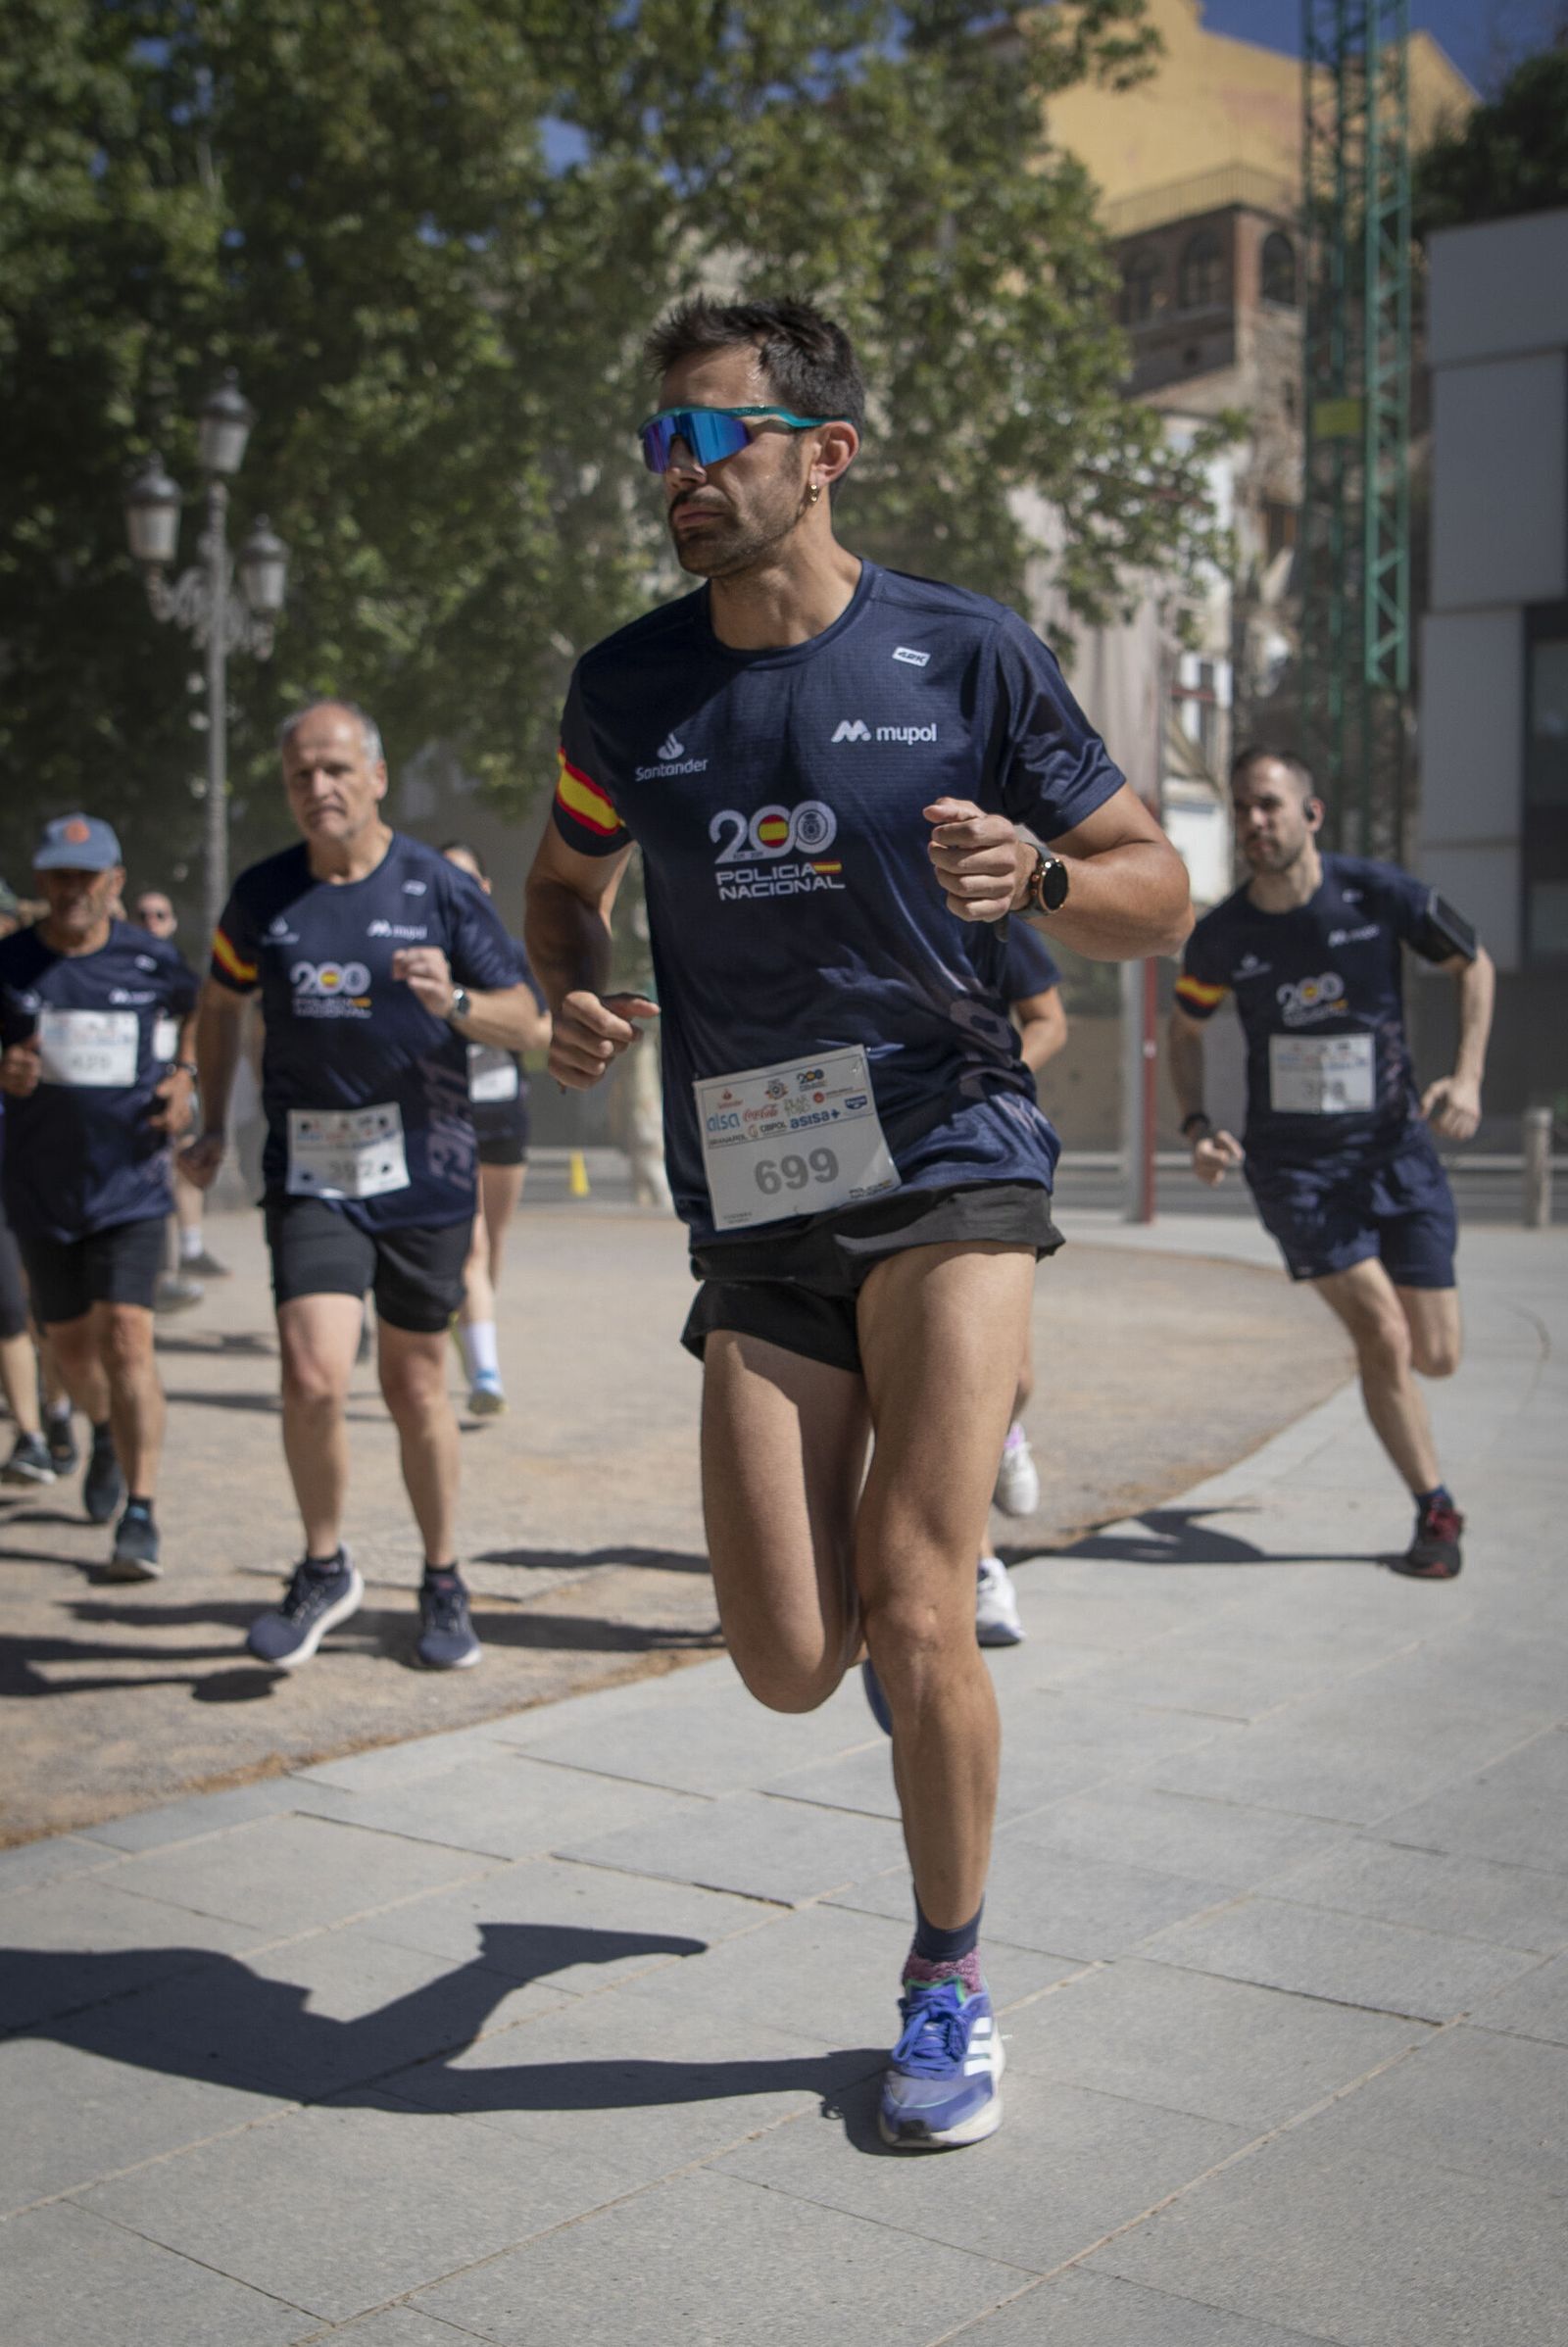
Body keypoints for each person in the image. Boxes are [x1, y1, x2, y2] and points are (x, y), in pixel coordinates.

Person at [524, 295, 1191, 2150]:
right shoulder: (627, 689)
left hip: (950, 1145)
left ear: (823, 452)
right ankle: (920, 1683)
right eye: (656, 443)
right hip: (756, 1188)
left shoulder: (967, 655)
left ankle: (949, 1981)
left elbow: (1159, 886)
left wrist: (1049, 872)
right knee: (783, 1655)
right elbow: (561, 884)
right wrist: (568, 987)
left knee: (911, 1598)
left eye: (707, 437)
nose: (671, 475)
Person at [183, 700, 540, 1671]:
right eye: (301, 774)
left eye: (337, 769)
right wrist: (214, 1118)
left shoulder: (435, 888)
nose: (318, 788)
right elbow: (219, 1000)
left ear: (377, 776)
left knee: (416, 1384)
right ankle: (324, 1563)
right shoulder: (263, 895)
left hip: (425, 1171)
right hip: (311, 1172)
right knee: (308, 1374)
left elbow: (530, 1021)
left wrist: (455, 1001)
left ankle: (441, 1573)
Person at [1169, 747, 1494, 1581]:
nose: (1253, 822)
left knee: (1438, 1352)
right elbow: (1187, 1029)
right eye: (1242, 808)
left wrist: (1468, 1075)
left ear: (1310, 815)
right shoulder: (1223, 936)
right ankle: (1436, 1510)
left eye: (1270, 806)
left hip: (1396, 1152)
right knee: (1382, 1335)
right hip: (1296, 1172)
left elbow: (1475, 963)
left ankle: (1418, 1451)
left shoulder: (1380, 896)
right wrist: (1199, 1122)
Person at [0, 814, 199, 1574]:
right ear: (42, 879)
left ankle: (142, 1510)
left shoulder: (149, 959)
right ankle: (106, 1431)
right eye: (59, 875)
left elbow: (197, 1012)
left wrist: (187, 1077)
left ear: (114, 882)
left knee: (127, 1337)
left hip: (133, 1185)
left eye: (87, 876)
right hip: (42, 1187)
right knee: (76, 1355)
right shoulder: (11, 962)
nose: (72, 890)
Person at [975, 921, 1070, 1645]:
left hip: (972, 1141)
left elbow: (1047, 1020)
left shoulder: (988, 903)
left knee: (1013, 1378)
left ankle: (1006, 1433)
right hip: (847, 1146)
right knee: (932, 1387)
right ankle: (977, 1568)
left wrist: (989, 1073)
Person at [439, 842, 552, 1416]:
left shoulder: (509, 957)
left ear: (484, 889)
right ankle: (486, 1368)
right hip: (441, 1120)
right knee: (471, 1243)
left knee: (493, 1243)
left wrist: (468, 1011)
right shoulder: (417, 959)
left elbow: (539, 1032)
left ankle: (473, 1321)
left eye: (467, 882)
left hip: (502, 1115)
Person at [131, 886, 227, 1307]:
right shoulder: (114, 961)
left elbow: (201, 1010)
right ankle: (160, 1272)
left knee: (179, 1166)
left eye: (160, 915)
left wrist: (186, 1073)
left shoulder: (174, 968)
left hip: (169, 1087)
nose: (152, 922)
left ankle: (184, 1254)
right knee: (145, 1178)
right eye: (144, 915)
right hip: (124, 1097)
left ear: (171, 922)